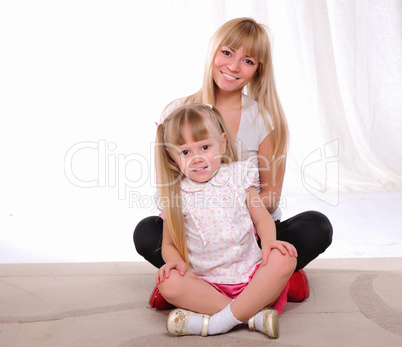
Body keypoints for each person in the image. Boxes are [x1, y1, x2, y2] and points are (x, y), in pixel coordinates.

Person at [134, 17, 333, 307]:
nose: (234, 66)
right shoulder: (178, 112)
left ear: (258, 70)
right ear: (213, 52)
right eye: (227, 53)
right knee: (147, 231)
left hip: (252, 229)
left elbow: (272, 195)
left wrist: (234, 216)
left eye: (248, 60)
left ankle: (225, 284)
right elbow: (168, 185)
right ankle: (258, 286)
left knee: (317, 225)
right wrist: (207, 215)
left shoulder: (265, 119)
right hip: (197, 232)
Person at [155, 103, 297, 338]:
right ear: (172, 155)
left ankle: (216, 323)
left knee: (284, 258)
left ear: (222, 143)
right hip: (207, 284)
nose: (197, 158)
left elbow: (262, 218)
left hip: (251, 276)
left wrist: (270, 242)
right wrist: (174, 263)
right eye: (186, 152)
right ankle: (251, 315)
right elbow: (169, 244)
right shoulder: (175, 193)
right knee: (168, 282)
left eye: (205, 147)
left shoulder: (239, 175)